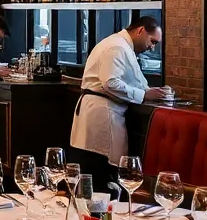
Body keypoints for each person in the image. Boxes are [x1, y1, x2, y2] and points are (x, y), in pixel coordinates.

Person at [69, 16, 167, 191]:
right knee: (100, 173)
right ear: (140, 31)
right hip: (102, 113)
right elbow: (110, 83)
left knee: (96, 171)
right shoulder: (117, 47)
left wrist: (151, 91)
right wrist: (143, 95)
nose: (152, 47)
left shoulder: (121, 45)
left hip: (102, 110)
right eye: (153, 42)